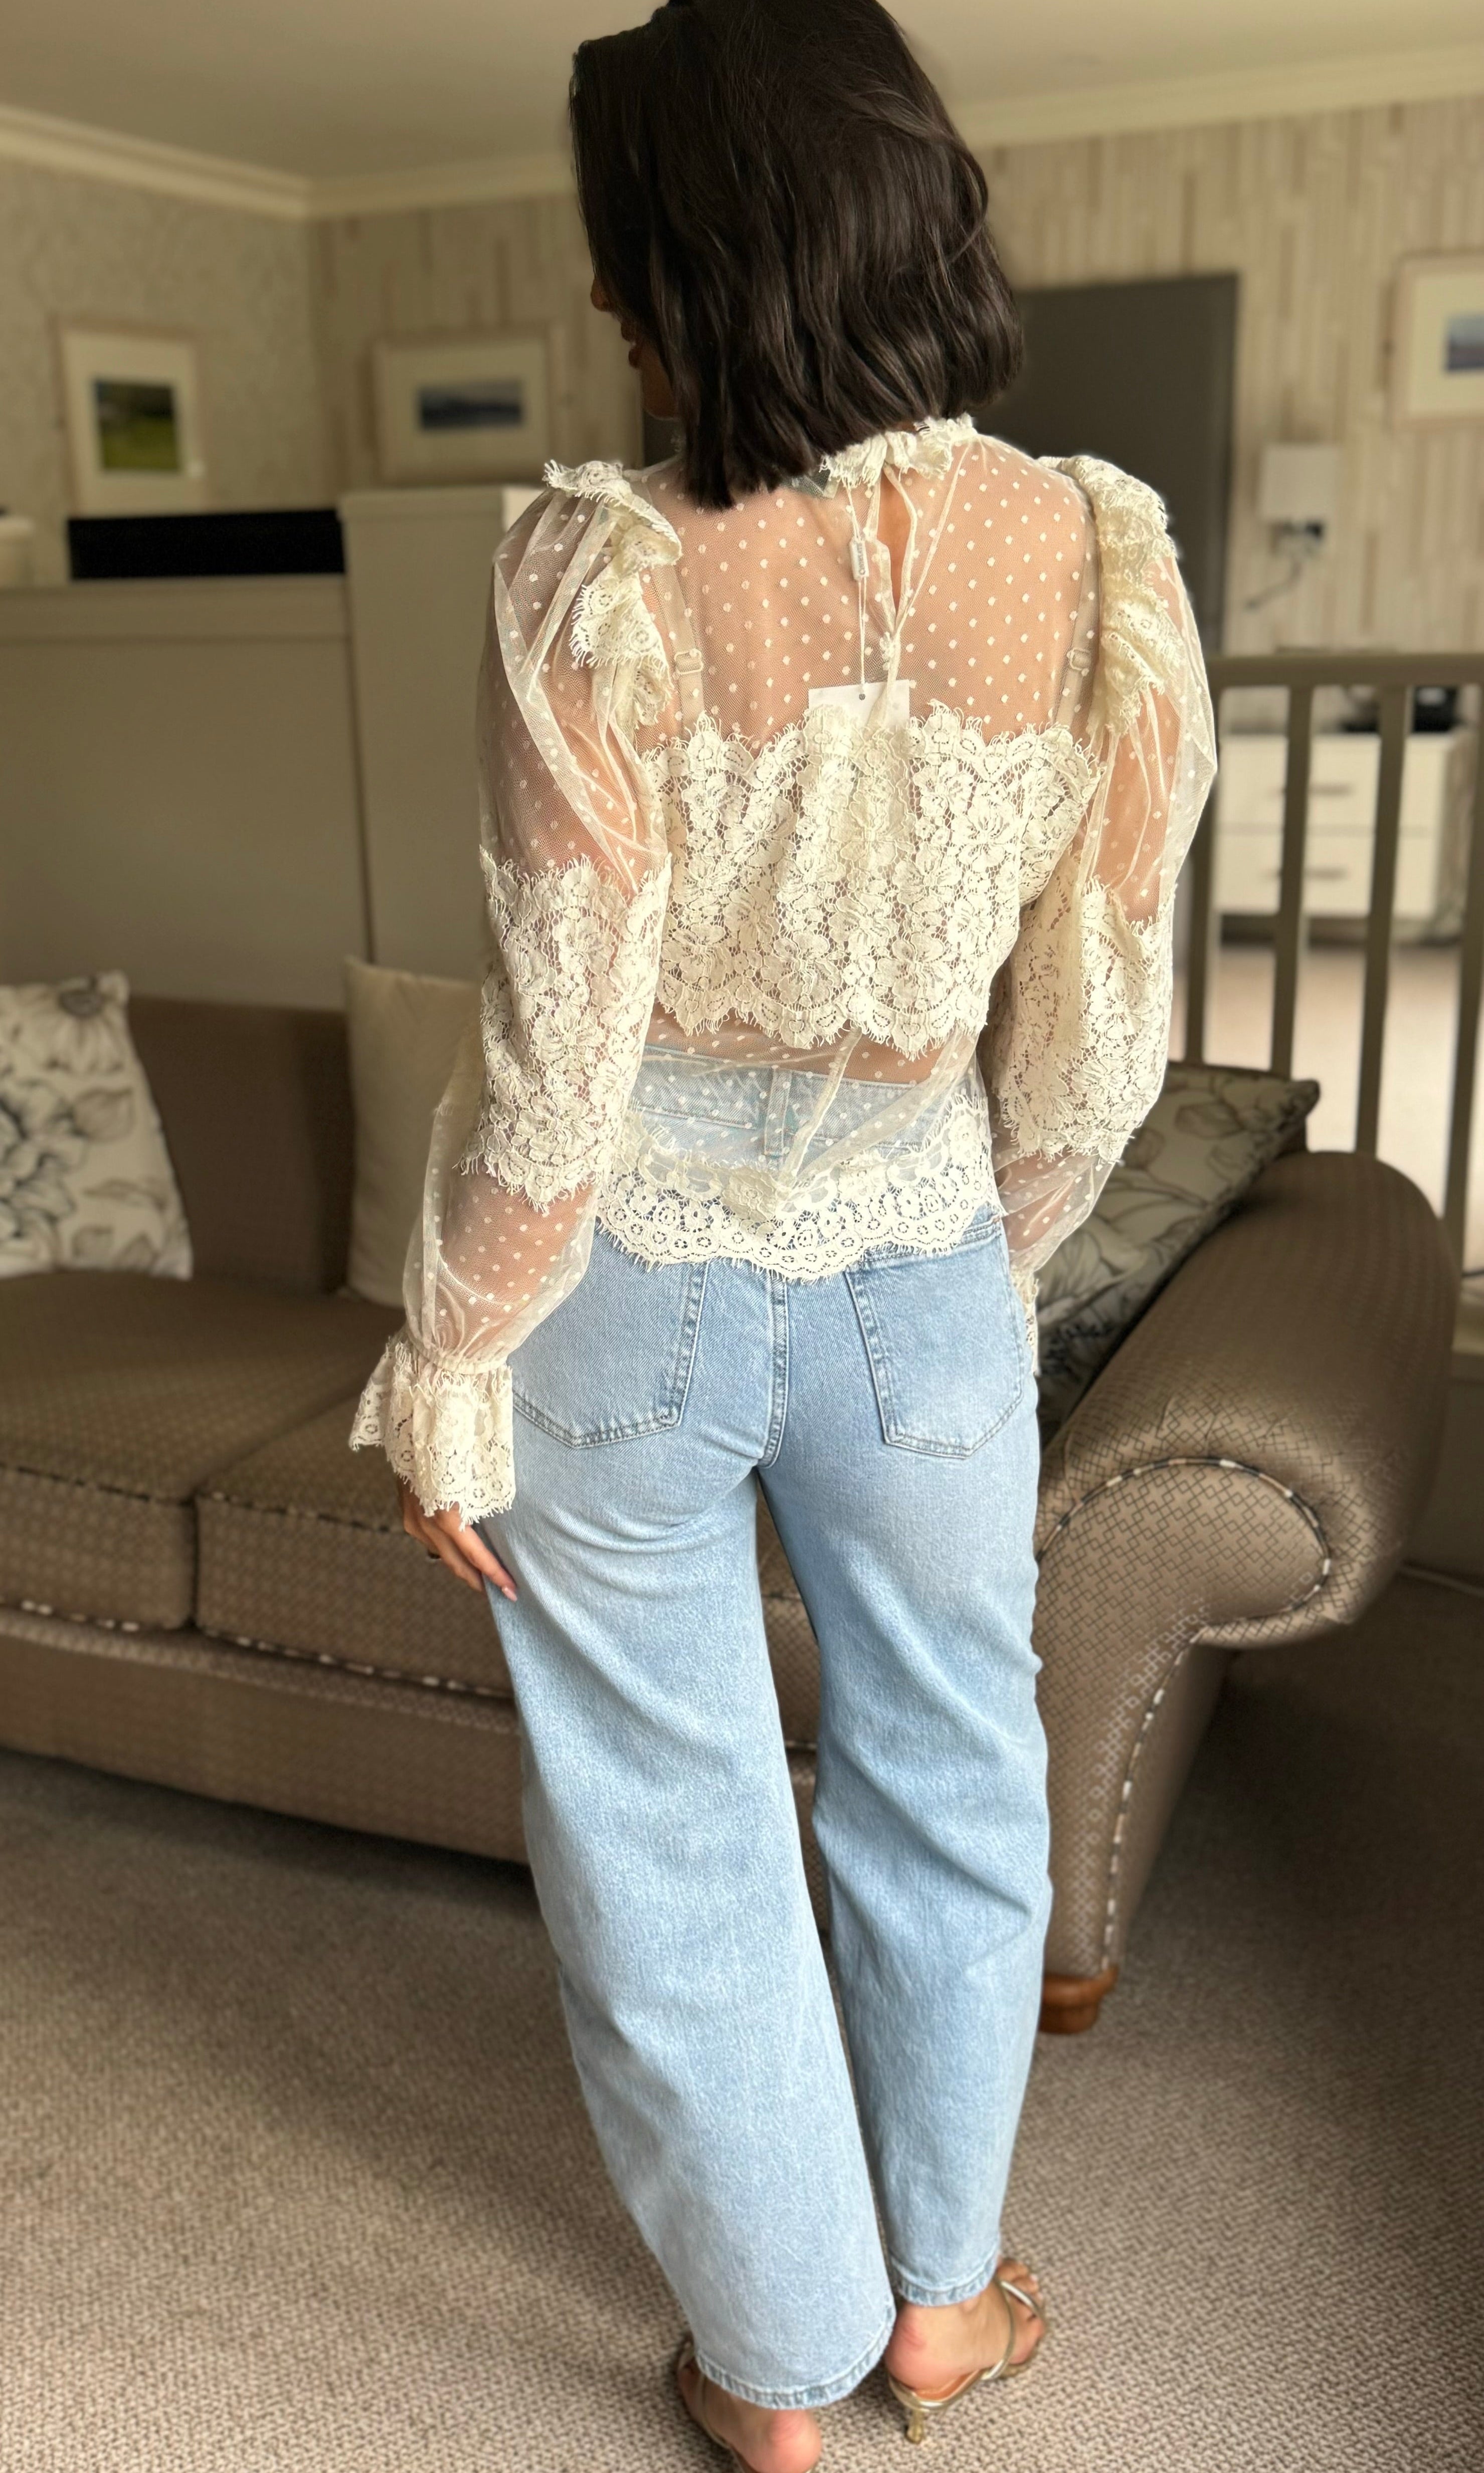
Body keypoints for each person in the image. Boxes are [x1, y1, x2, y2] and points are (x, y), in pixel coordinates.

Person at [353, 3, 1215, 2463]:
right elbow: (1097, 1026)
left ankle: (768, 2368)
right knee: (952, 1764)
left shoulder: (593, 569)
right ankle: (933, 2303)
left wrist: (450, 1355)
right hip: (919, 1246)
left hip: (620, 1272)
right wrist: (980, 1249)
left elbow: (556, 1051)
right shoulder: (1097, 550)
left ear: (688, 261)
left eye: (619, 244)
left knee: (667, 1817)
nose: (603, 298)